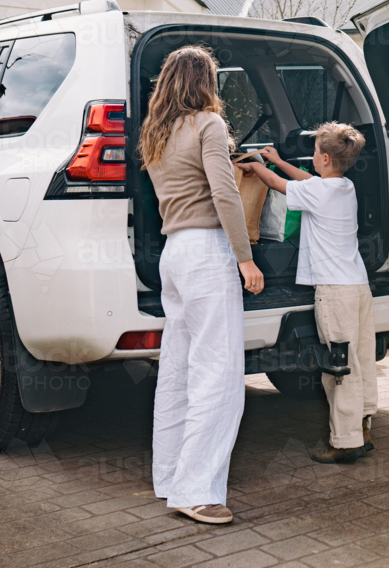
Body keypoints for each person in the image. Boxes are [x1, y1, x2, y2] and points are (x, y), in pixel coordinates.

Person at [139, 45, 265, 525]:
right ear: (205, 82)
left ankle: (170, 477)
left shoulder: (157, 133)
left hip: (175, 254)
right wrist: (245, 259)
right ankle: (196, 492)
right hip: (208, 252)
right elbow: (224, 190)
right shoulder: (209, 125)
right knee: (219, 373)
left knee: (177, 370)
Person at [236, 122, 376, 464]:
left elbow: (276, 185)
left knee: (339, 365)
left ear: (325, 158)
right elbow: (307, 181)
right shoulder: (344, 187)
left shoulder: (319, 192)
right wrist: (279, 159)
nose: (311, 159)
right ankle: (364, 425)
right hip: (358, 286)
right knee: (362, 357)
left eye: (314, 154)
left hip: (334, 291)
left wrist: (258, 167)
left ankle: (344, 441)